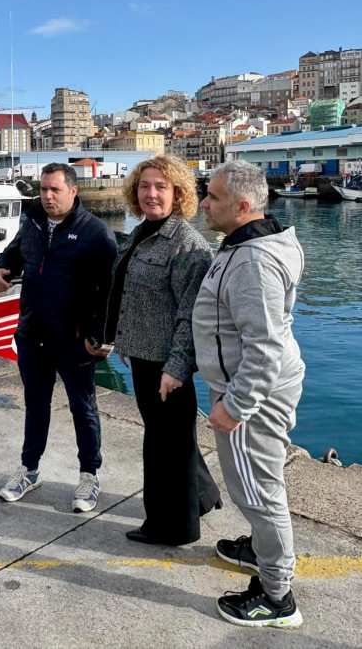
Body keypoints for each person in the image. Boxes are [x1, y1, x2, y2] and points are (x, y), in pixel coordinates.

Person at [192, 160, 305, 629]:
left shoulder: (254, 261)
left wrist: (235, 407)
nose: (203, 203)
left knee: (258, 490)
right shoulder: (253, 243)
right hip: (252, 385)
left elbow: (263, 348)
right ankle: (261, 550)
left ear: (242, 207)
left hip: (251, 393)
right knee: (256, 485)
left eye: (213, 198)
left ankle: (277, 595)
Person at [104, 155, 221, 546]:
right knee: (171, 439)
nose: (151, 193)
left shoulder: (187, 246)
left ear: (178, 194)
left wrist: (176, 367)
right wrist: (126, 339)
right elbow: (132, 295)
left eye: (161, 187)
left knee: (165, 446)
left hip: (166, 365)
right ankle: (201, 498)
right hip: (143, 354)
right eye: (144, 186)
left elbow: (191, 315)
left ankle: (172, 528)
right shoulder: (142, 233)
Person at [0, 162, 117, 512]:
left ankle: (89, 476)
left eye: (54, 190)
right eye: (43, 189)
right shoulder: (32, 223)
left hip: (73, 339)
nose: (47, 196)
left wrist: (101, 336)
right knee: (35, 405)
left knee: (82, 408)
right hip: (32, 333)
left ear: (73, 191)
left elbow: (110, 289)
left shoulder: (96, 233)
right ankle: (29, 470)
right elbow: (12, 254)